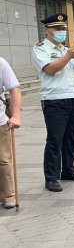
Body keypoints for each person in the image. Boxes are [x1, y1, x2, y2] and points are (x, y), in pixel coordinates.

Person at [32, 13, 74, 192]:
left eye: (63, 28)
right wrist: (68, 55)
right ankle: (51, 177)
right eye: (58, 29)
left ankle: (68, 170)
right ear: (47, 30)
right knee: (55, 140)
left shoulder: (67, 49)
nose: (61, 31)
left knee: (72, 138)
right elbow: (50, 69)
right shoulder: (40, 49)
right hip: (54, 100)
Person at [0, 58, 21, 209]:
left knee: (3, 159)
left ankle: (8, 195)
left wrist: (16, 116)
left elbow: (14, 89)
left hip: (0, 121)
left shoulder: (0, 62)